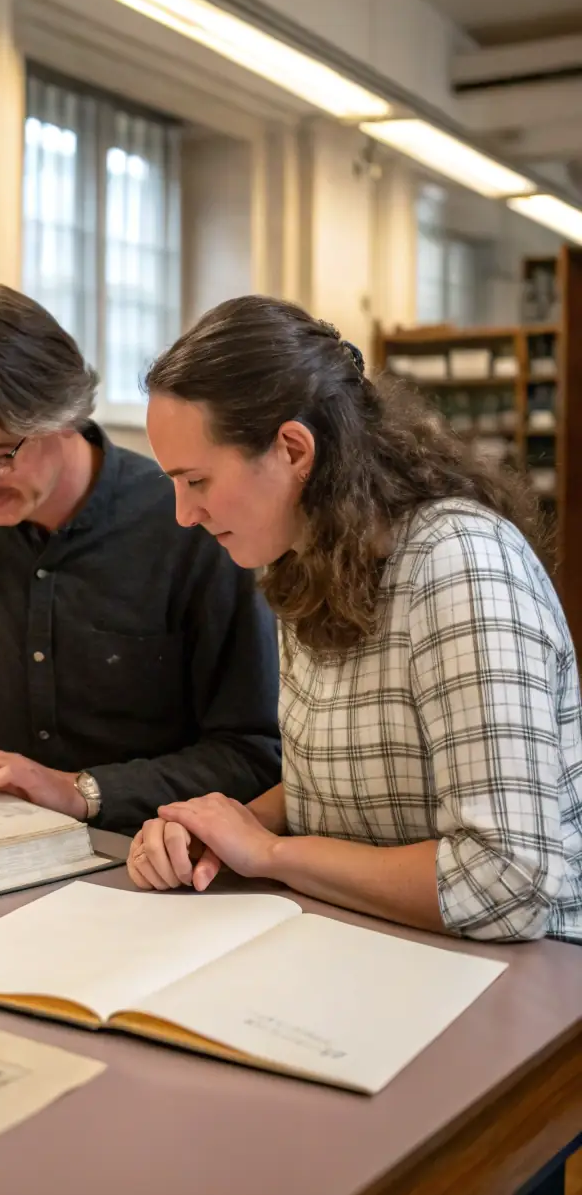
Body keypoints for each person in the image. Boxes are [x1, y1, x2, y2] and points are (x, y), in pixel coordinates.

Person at [129, 293, 582, 947]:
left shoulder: (458, 564)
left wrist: (272, 855)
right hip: (372, 940)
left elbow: (504, 882)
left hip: (530, 975)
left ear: (292, 448)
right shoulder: (301, 556)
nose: (182, 514)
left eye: (195, 480)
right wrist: (219, 828)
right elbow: (342, 773)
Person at [0, 283, 281, 834]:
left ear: (63, 414)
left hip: (155, 854)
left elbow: (251, 754)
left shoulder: (190, 521)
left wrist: (81, 790)